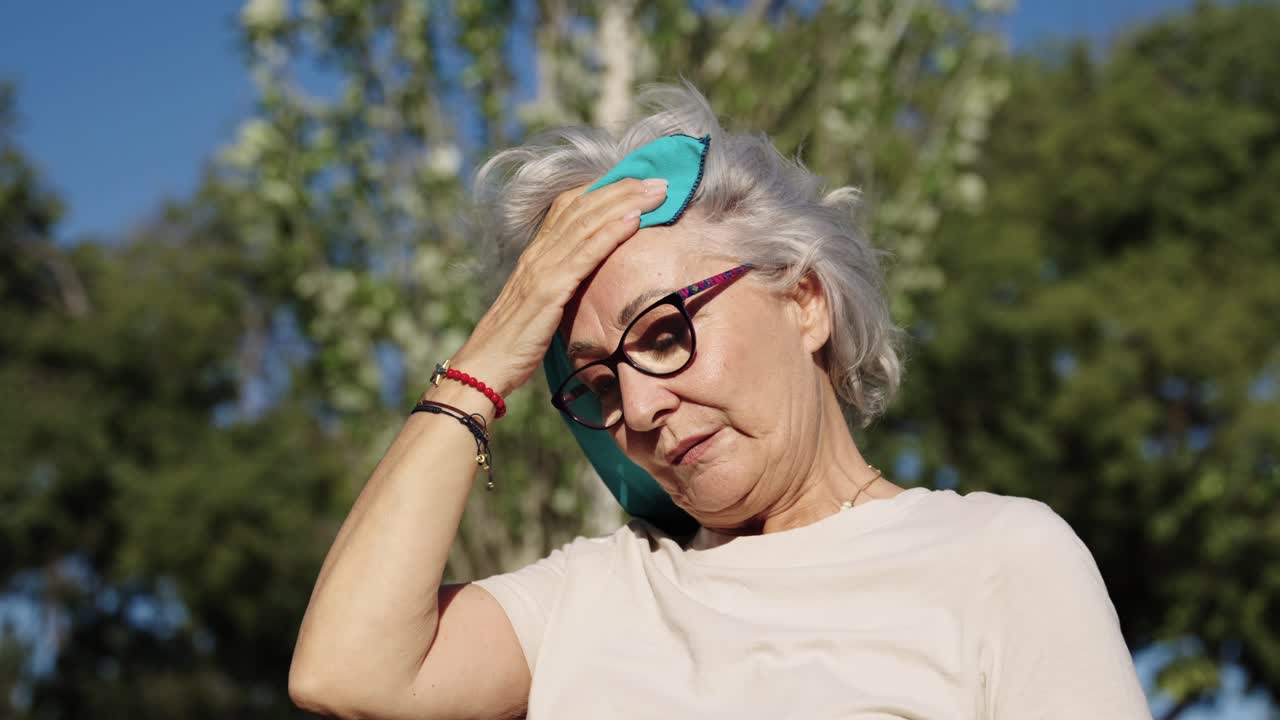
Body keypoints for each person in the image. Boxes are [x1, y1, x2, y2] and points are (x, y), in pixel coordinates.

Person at [288, 83, 1152, 719]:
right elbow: (346, 671)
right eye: (595, 384)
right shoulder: (587, 598)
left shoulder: (998, 557)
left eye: (663, 333)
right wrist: (490, 354)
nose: (639, 403)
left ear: (805, 300)